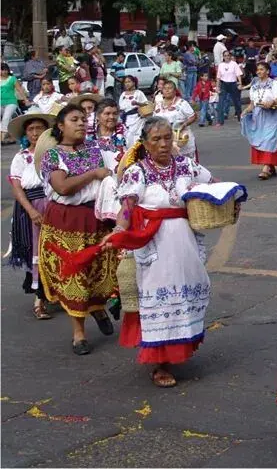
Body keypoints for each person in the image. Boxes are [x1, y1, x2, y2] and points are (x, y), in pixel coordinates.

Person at [106, 116, 217, 387]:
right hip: (154, 243)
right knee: (160, 299)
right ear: (145, 144)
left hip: (186, 241)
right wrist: (120, 230)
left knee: (186, 294)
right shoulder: (137, 171)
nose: (164, 144)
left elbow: (213, 183)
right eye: (156, 139)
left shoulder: (186, 165)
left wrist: (227, 197)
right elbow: (128, 205)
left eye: (167, 137)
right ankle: (160, 363)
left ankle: (181, 347)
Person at [37, 105, 118, 355]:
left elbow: (119, 167)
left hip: (96, 217)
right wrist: (94, 174)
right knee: (74, 276)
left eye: (83, 119)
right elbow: (63, 187)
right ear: (61, 126)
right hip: (66, 222)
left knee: (99, 271)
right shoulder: (53, 155)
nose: (82, 123)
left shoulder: (97, 149)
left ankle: (97, 308)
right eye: (74, 119)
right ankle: (79, 333)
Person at [7, 112, 55, 319]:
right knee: (37, 250)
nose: (35, 133)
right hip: (33, 206)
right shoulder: (21, 157)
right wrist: (31, 211)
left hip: (55, 205)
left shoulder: (55, 154)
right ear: (26, 134)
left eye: (39, 128)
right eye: (31, 129)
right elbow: (17, 187)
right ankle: (39, 299)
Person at [241, 62, 277, 180]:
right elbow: (252, 104)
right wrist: (246, 111)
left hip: (272, 116)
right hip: (258, 116)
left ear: (268, 71)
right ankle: (271, 166)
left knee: (269, 140)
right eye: (258, 70)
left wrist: (272, 102)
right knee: (261, 140)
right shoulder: (254, 86)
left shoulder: (274, 84)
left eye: (262, 69)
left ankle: (265, 168)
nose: (259, 72)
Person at [155, 80, 197, 160]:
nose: (167, 90)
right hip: (165, 139)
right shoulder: (158, 105)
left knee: (185, 163)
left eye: (170, 88)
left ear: (175, 91)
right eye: (165, 88)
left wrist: (183, 125)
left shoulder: (182, 103)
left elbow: (193, 116)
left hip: (181, 138)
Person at [1, 62, 29, 144]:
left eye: (5, 70)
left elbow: (19, 89)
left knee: (6, 118)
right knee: (8, 120)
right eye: (1, 70)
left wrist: (26, 100)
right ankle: (12, 137)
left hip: (11, 102)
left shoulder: (12, 79)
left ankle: (2, 138)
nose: (3, 72)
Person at [118, 76, 148, 148]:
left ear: (134, 83)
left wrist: (138, 103)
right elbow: (120, 107)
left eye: (129, 82)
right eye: (125, 82)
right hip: (126, 118)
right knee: (126, 136)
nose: (127, 84)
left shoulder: (139, 93)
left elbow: (146, 104)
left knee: (137, 136)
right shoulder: (123, 94)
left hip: (137, 118)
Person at [216, 50, 243, 126]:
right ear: (223, 57)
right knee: (221, 103)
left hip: (233, 84)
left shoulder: (234, 64)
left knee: (237, 102)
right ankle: (220, 121)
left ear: (230, 56)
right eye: (225, 55)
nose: (227, 57)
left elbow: (238, 74)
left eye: (228, 55)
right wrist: (217, 87)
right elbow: (218, 77)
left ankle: (240, 118)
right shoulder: (221, 65)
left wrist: (240, 84)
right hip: (223, 84)